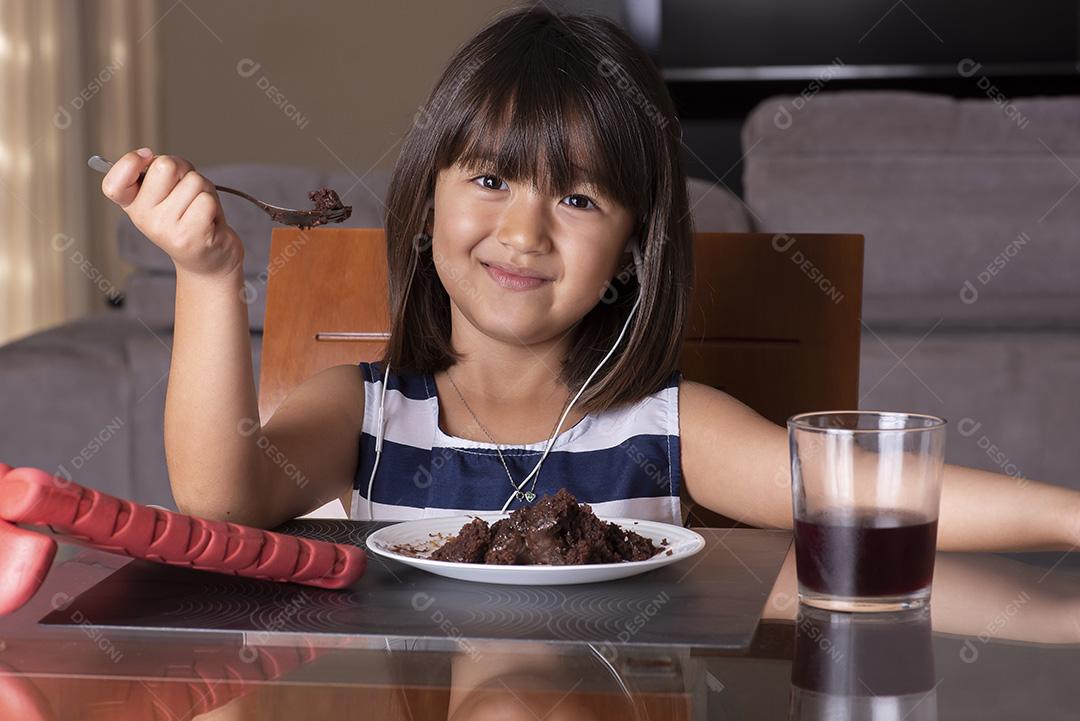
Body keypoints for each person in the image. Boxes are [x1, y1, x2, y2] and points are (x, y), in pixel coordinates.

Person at [100, 7, 1079, 551]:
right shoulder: (364, 415)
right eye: (489, 179)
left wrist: (1071, 518)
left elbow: (862, 489)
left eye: (577, 200)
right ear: (427, 201)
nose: (522, 229)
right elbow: (219, 508)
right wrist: (210, 274)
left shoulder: (665, 425)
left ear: (631, 251)